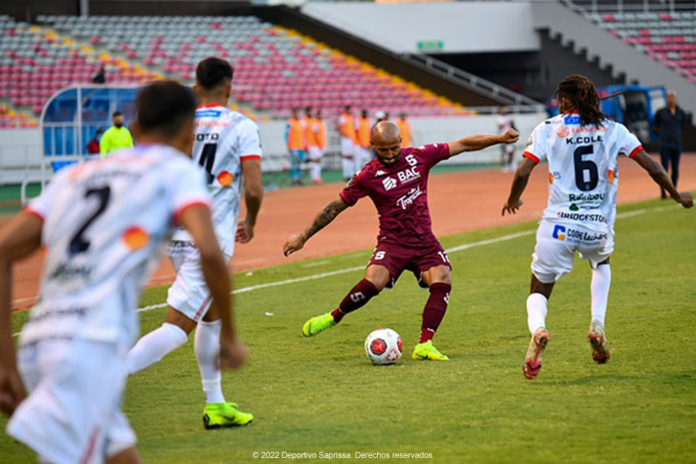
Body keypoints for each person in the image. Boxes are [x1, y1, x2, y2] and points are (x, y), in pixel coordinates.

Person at [0, 80, 247, 464]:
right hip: (90, 348)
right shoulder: (175, 172)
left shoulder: (75, 175)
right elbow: (211, 252)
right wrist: (230, 335)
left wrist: (5, 359)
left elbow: (2, 251)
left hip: (39, 341)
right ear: (188, 132)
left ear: (133, 127)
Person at [501, 74, 693, 380]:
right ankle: (597, 323)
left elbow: (524, 170)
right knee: (601, 262)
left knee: (539, 286)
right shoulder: (614, 129)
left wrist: (514, 199)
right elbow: (654, 167)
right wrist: (675, 194)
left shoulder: (549, 128)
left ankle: (538, 330)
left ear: (565, 100)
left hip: (558, 226)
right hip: (597, 226)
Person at [284, 122, 518, 360]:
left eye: (394, 148)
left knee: (443, 279)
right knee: (373, 282)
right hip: (392, 242)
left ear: (400, 143)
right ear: (372, 146)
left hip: (424, 241)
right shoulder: (367, 175)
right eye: (383, 150)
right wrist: (303, 236)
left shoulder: (419, 157)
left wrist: (499, 138)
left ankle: (424, 344)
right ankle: (334, 317)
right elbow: (335, 207)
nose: (389, 155)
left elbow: (463, 144)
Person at [126, 57, 262, 428]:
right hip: (209, 239)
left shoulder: (181, 123)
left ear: (197, 86)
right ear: (229, 87)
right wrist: (250, 220)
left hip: (176, 233)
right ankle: (105, 379)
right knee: (177, 327)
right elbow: (252, 186)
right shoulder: (242, 126)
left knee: (211, 316)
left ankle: (215, 404)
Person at [653, 90, 686, 199]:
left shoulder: (680, 112)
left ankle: (673, 191)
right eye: (668, 97)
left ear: (675, 99)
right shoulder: (661, 112)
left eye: (672, 97)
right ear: (666, 99)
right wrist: (663, 134)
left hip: (676, 143)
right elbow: (655, 126)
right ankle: (663, 193)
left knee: (675, 168)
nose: (670, 99)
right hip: (665, 144)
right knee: (663, 169)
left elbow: (682, 125)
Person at [286, 108, 306, 185]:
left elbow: (303, 135)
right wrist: (288, 145)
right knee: (294, 163)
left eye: (298, 113)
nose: (297, 115)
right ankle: (294, 179)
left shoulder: (301, 123)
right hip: (293, 146)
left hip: (301, 146)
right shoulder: (290, 123)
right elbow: (286, 135)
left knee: (300, 163)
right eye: (296, 113)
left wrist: (304, 145)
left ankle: (299, 178)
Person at [338, 105, 357, 180]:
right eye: (349, 110)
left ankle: (350, 174)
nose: (350, 111)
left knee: (351, 157)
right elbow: (339, 127)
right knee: (346, 156)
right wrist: (344, 135)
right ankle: (346, 175)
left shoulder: (351, 118)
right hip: (346, 139)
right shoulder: (343, 117)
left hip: (351, 139)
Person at [307, 109, 327, 184]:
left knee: (317, 161)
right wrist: (320, 144)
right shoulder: (315, 123)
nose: (320, 116)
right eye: (319, 115)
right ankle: (315, 177)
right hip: (314, 145)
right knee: (316, 161)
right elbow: (316, 135)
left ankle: (316, 177)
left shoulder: (321, 123)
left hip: (319, 145)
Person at [497, 107, 516, 172]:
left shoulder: (508, 117)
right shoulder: (499, 118)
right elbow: (500, 126)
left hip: (509, 136)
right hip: (503, 136)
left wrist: (512, 122)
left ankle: (509, 165)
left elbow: (513, 125)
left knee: (511, 152)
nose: (505, 111)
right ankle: (503, 166)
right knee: (503, 152)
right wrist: (507, 122)